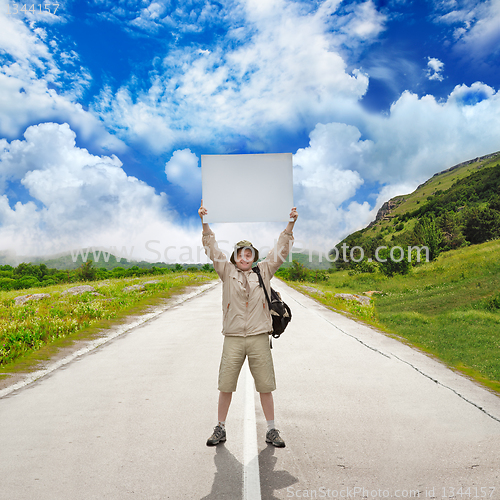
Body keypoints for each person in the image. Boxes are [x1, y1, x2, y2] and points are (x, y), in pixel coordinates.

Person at [199, 200, 298, 448]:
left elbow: (280, 251)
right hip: (233, 337)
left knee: (265, 385)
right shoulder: (225, 270)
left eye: (249, 254)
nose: (244, 257)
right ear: (235, 257)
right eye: (240, 254)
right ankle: (220, 428)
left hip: (258, 337)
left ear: (253, 257)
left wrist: (290, 225)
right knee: (226, 385)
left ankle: (272, 430)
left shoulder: (262, 271)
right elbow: (211, 248)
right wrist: (205, 222)